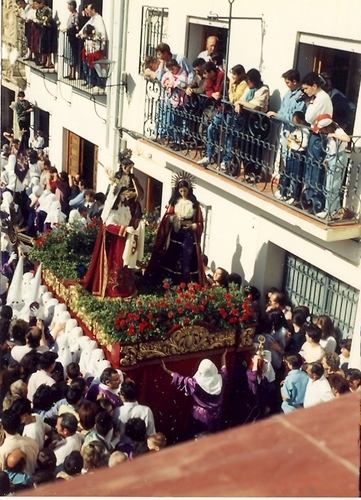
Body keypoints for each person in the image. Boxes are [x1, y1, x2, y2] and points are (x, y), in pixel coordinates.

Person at [82, 155, 144, 299]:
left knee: (125, 266)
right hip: (114, 243)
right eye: (123, 195)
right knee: (116, 266)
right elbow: (109, 226)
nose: (126, 196)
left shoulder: (125, 208)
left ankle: (126, 289)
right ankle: (114, 290)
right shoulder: (113, 210)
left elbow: (129, 219)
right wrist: (123, 230)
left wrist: (138, 223)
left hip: (125, 242)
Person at [144, 173, 205, 286]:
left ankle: (187, 282)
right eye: (181, 191)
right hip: (175, 235)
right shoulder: (174, 204)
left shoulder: (195, 205)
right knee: (172, 257)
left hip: (189, 236)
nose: (183, 193)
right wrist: (175, 219)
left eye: (185, 191)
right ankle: (169, 283)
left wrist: (192, 226)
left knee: (188, 258)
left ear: (189, 190)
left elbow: (200, 223)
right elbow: (166, 218)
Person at [161, 349, 228, 435]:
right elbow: (224, 368)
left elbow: (180, 379)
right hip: (216, 414)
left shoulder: (195, 384)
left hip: (200, 416)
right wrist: (223, 356)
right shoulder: (221, 379)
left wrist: (166, 370)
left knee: (198, 436)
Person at [301, 72, 333, 212]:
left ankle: (314, 201)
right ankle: (310, 197)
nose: (305, 91)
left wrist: (309, 102)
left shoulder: (321, 99)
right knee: (311, 165)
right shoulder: (320, 97)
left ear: (314, 86)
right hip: (316, 134)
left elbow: (308, 117)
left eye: (307, 88)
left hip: (319, 136)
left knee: (315, 167)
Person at [311, 114, 350, 219]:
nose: (320, 131)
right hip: (332, 157)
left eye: (321, 129)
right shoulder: (328, 134)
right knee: (328, 186)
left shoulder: (337, 131)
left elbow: (347, 139)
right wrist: (327, 158)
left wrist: (334, 135)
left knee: (333, 186)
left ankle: (332, 211)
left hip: (339, 158)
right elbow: (330, 147)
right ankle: (329, 209)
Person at [267, 69, 307, 170]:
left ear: (294, 81)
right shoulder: (288, 94)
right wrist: (275, 117)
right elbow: (282, 110)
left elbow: (296, 118)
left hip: (295, 133)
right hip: (286, 131)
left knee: (293, 160)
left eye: (288, 82)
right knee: (285, 157)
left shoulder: (301, 96)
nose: (286, 85)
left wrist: (278, 116)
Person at [234, 68, 270, 178]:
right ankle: (247, 171)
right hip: (246, 120)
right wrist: (238, 104)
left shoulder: (263, 89)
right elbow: (240, 100)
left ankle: (255, 173)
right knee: (244, 146)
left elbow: (254, 106)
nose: (247, 84)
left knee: (255, 148)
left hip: (257, 122)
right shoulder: (249, 89)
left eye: (249, 81)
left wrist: (240, 103)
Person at [196, 61, 227, 167]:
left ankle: (225, 161)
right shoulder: (209, 79)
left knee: (227, 135)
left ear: (212, 72)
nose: (204, 76)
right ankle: (209, 155)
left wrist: (217, 93)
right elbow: (208, 90)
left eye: (205, 73)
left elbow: (220, 90)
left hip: (227, 110)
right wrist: (212, 94)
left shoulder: (221, 75)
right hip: (220, 109)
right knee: (210, 128)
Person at [275, 111, 309, 205]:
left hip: (299, 154)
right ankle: (283, 192)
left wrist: (294, 139)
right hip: (292, 152)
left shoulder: (305, 131)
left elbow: (304, 145)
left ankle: (296, 197)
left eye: (295, 121)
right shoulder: (296, 130)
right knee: (287, 172)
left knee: (296, 176)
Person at [33, 0, 57, 69]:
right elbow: (38, 17)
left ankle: (49, 62)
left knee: (48, 46)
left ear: (41, 3)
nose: (36, 6)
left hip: (48, 30)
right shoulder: (38, 10)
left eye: (37, 4)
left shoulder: (47, 10)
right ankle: (43, 60)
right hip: (42, 29)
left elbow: (47, 20)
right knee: (42, 45)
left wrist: (39, 21)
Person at [62, 0, 80, 80]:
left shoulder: (76, 15)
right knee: (69, 55)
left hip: (73, 38)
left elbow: (76, 27)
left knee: (73, 55)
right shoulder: (71, 15)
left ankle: (73, 74)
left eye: (69, 6)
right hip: (70, 37)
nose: (68, 7)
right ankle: (70, 73)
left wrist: (67, 30)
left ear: (72, 6)